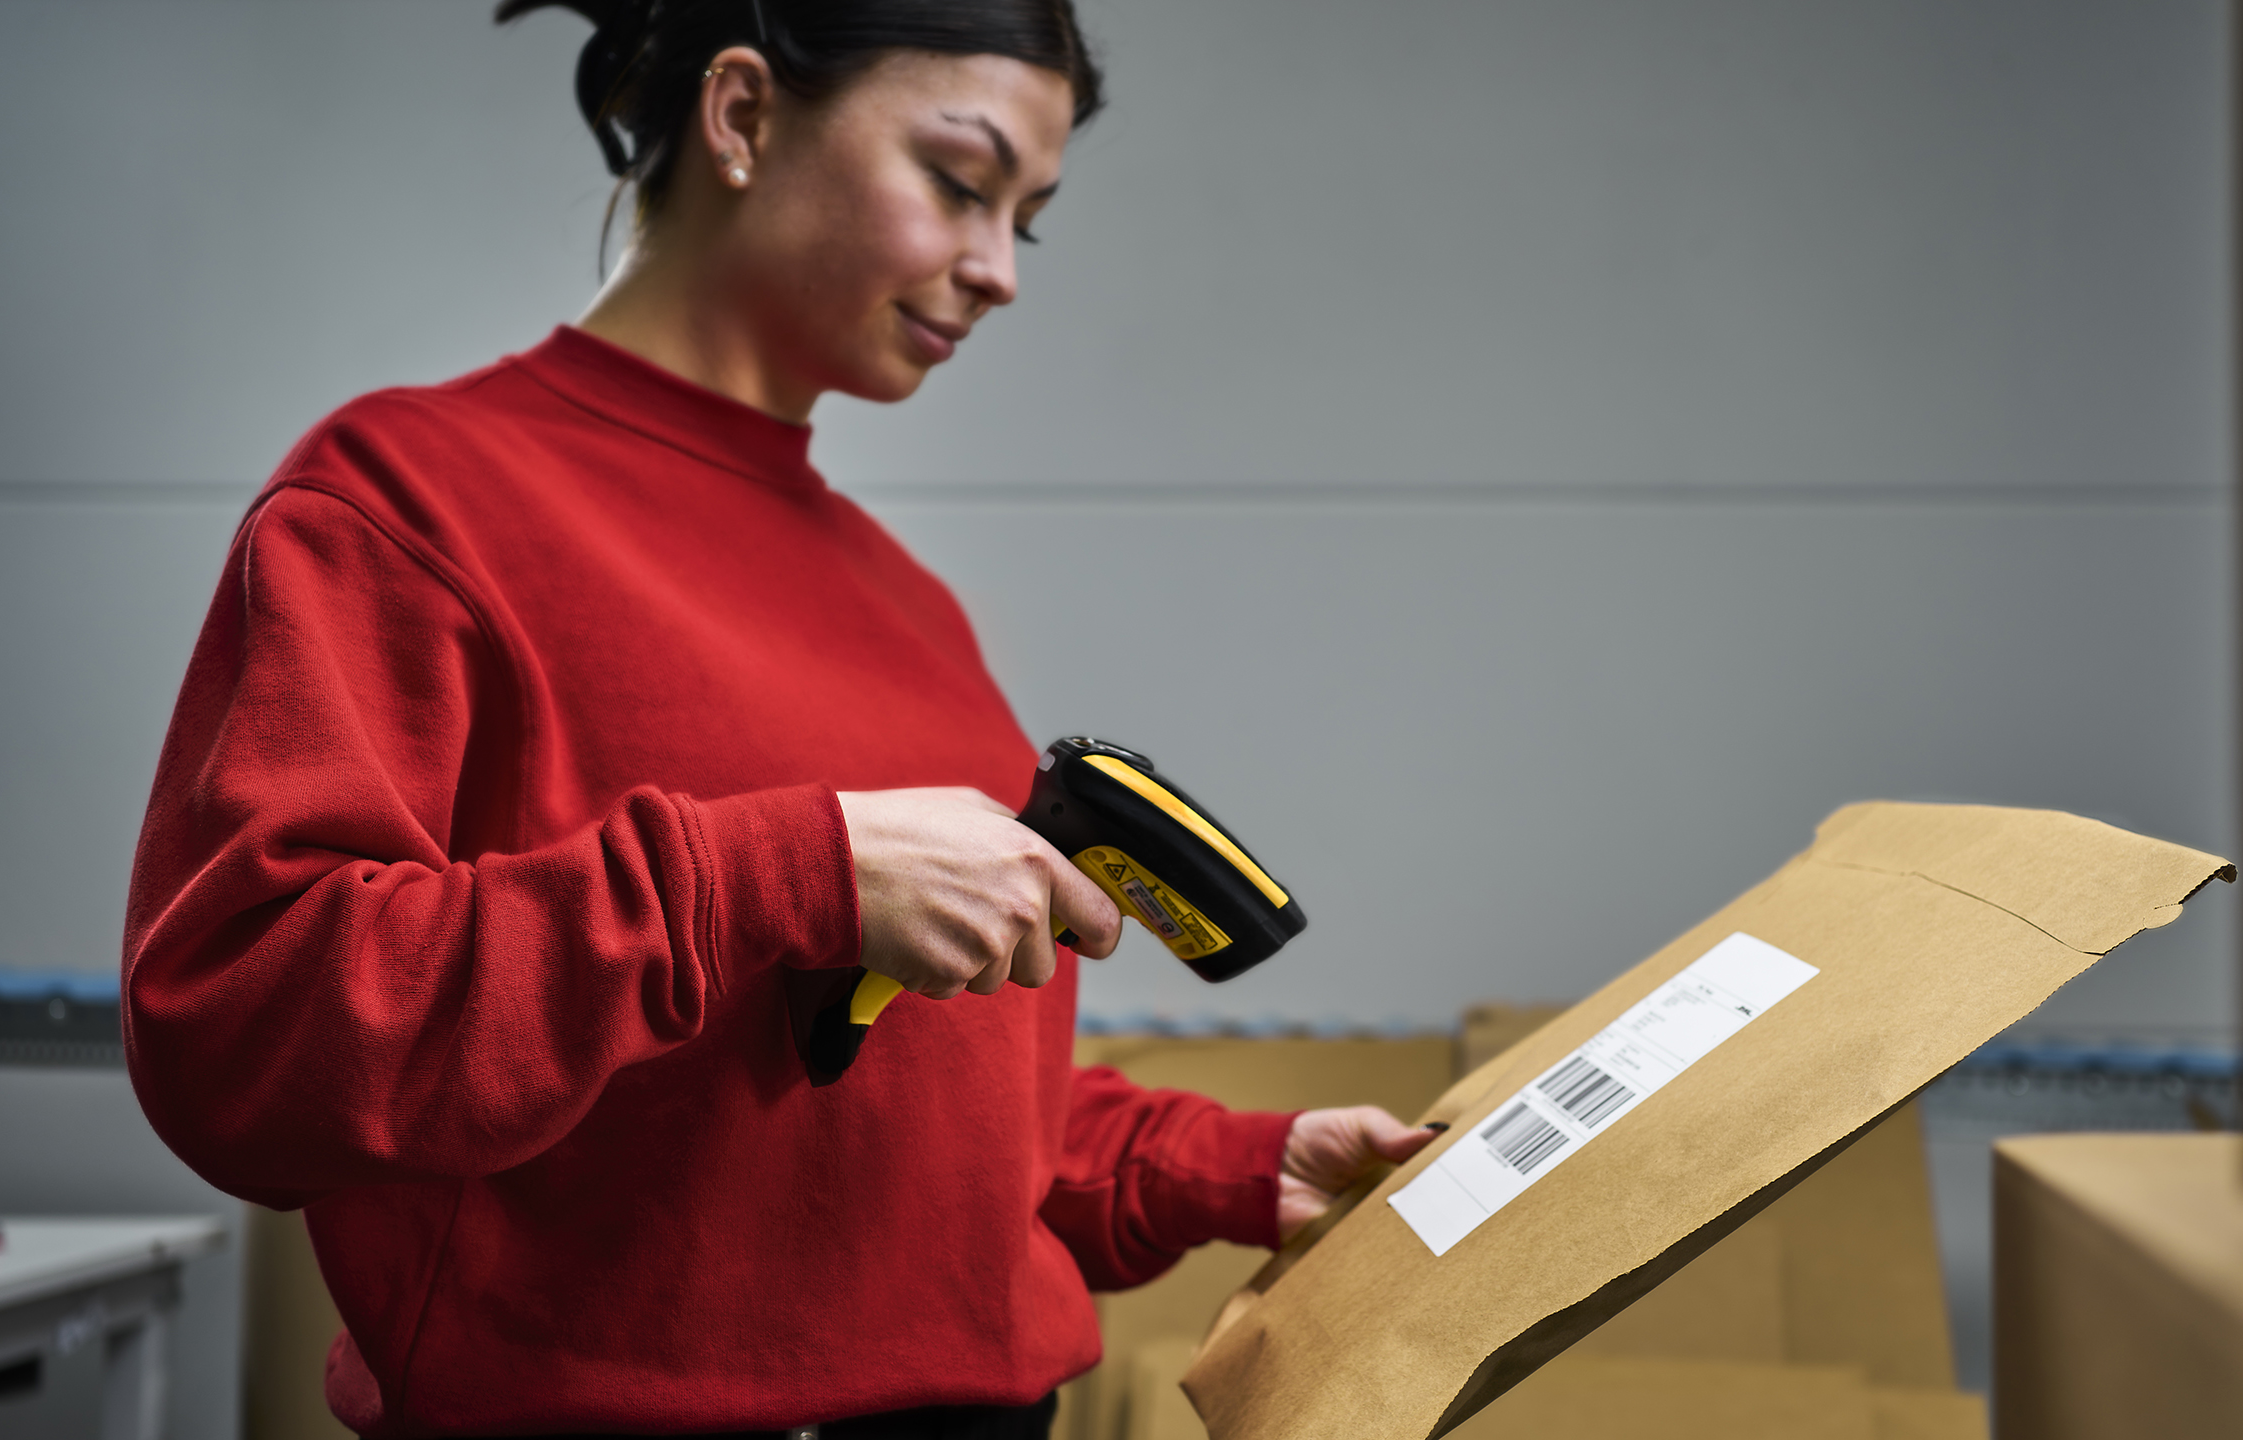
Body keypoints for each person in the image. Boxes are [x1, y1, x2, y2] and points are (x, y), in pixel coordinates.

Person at [120, 2, 1435, 1436]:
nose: (998, 271)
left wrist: (1234, 1167)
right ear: (742, 117)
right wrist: (786, 873)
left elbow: (935, 1115)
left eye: (1030, 220)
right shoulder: (410, 495)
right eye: (957, 180)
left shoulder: (912, 609)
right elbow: (246, 1038)